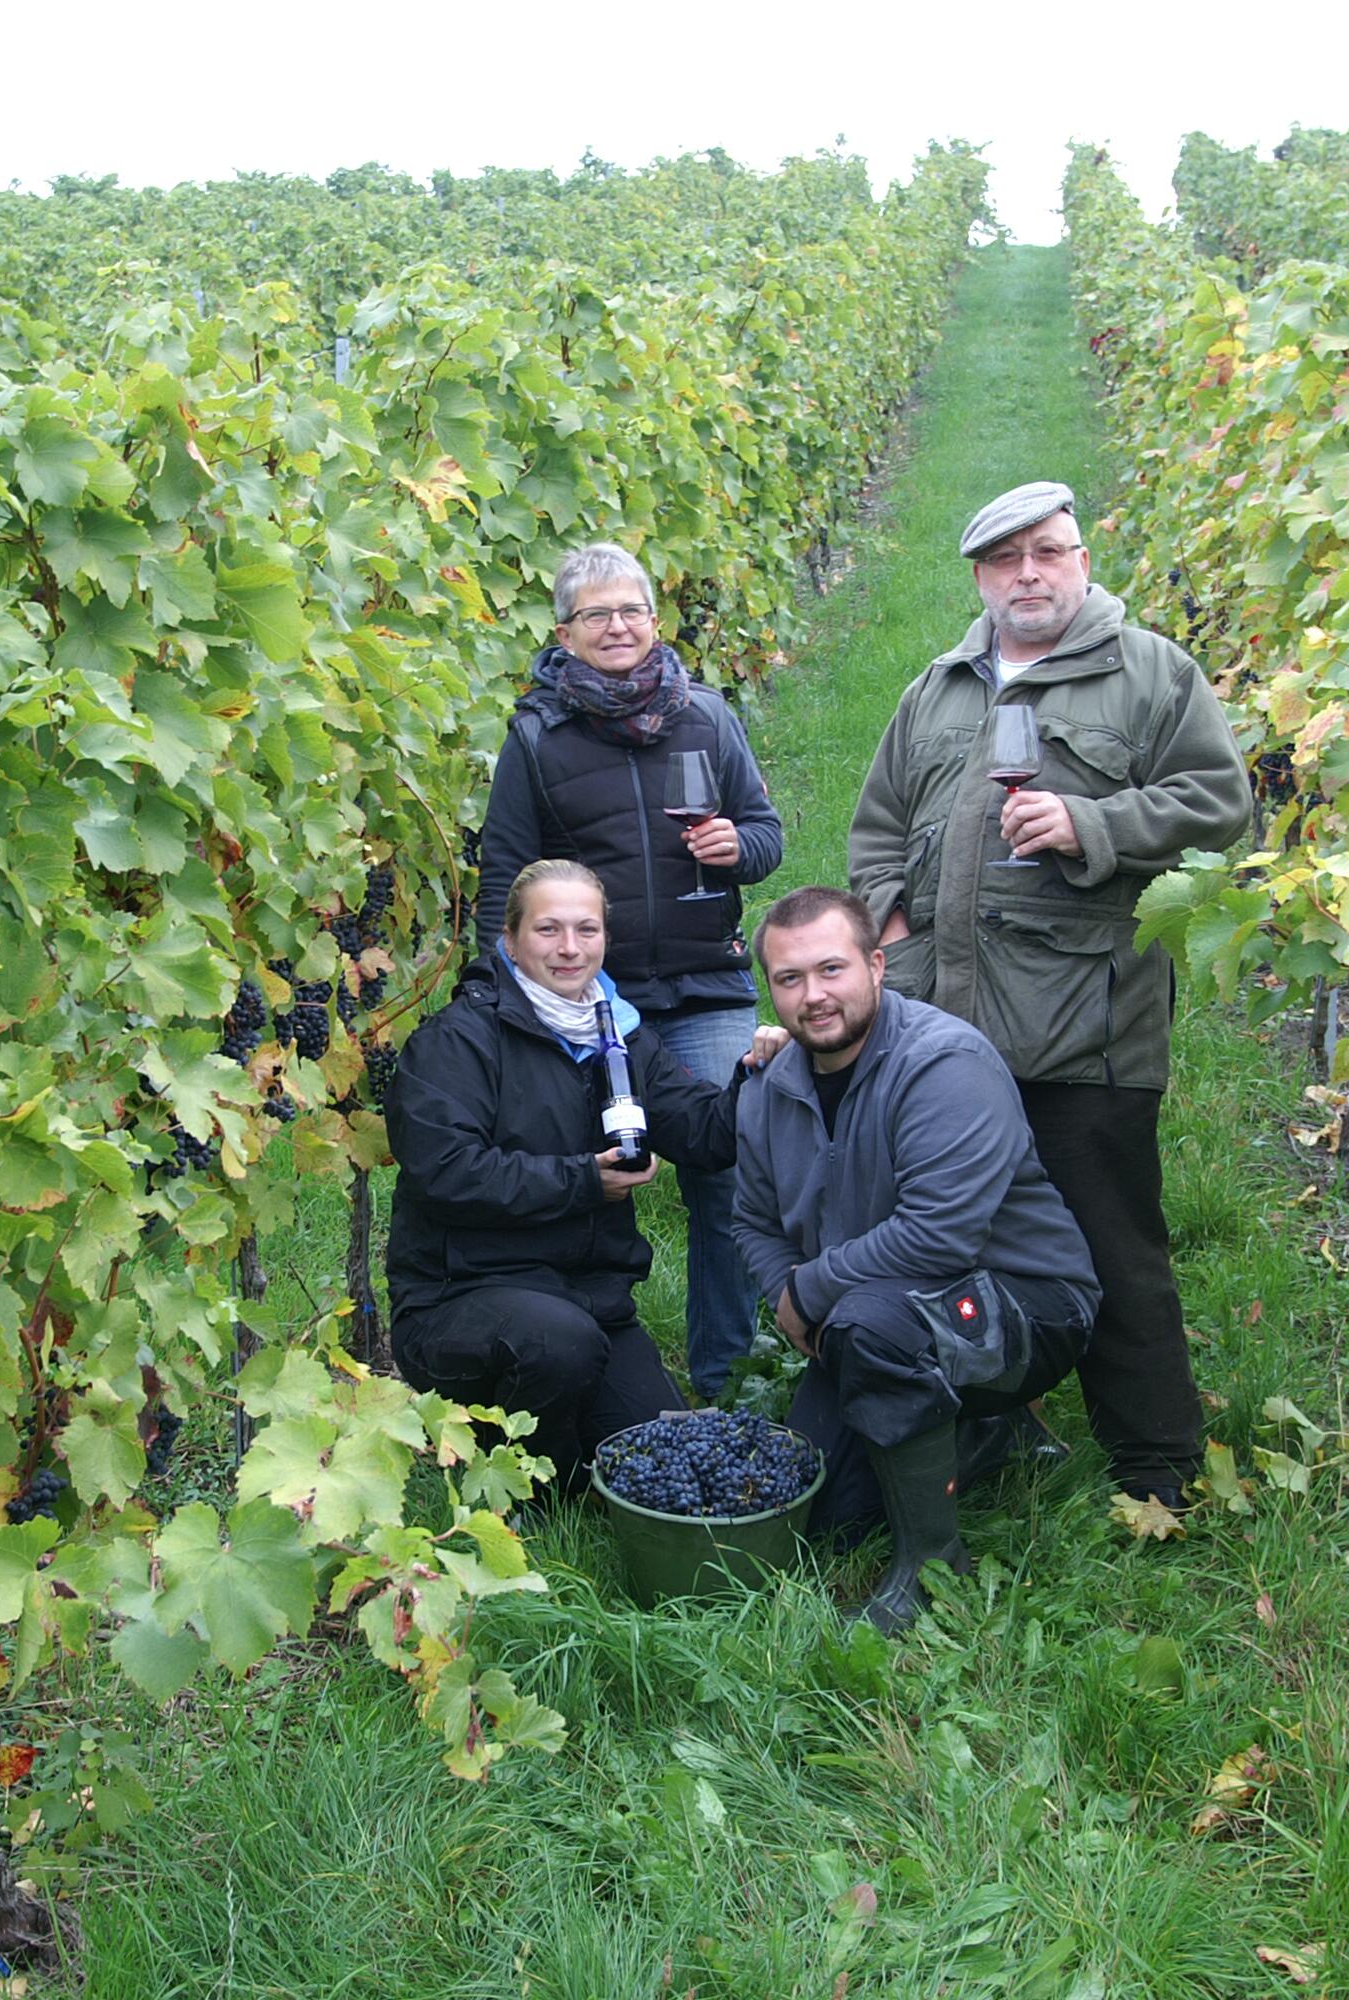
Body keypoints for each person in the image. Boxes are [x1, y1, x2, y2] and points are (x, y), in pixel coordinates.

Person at [848, 481, 1253, 1510]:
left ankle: (1154, 1464)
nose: (1026, 575)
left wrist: (1093, 825)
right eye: (1004, 560)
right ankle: (992, 1425)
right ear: (980, 577)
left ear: (1080, 558)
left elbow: (1220, 809)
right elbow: (877, 823)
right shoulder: (937, 686)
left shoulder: (1149, 674)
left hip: (1083, 1027)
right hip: (943, 1029)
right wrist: (888, 918)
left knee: (1111, 1240)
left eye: (1047, 553)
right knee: (955, 1236)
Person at [733, 886, 1101, 1634]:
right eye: (790, 979)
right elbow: (752, 1219)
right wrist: (783, 1287)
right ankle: (986, 1437)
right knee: (828, 1512)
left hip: (1026, 1302)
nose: (815, 996)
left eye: (832, 970)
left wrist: (811, 1288)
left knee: (873, 1327)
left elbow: (941, 1236)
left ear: (877, 965)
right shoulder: (772, 1088)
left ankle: (934, 1569)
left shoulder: (944, 1063)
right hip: (880, 1308)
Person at [473, 542, 786, 1400]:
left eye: (633, 610)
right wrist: (504, 995)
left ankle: (727, 1370)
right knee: (572, 1181)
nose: (619, 627)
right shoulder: (537, 739)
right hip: (587, 996)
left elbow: (765, 834)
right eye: (597, 614)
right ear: (565, 634)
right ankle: (592, 1368)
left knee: (729, 1172)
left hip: (704, 985)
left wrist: (737, 850)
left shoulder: (708, 719)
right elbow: (505, 874)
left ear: (655, 620)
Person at [391, 860, 786, 1491]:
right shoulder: (458, 1040)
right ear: (511, 937)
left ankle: (563, 1454)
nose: (570, 948)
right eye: (548, 930)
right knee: (557, 1352)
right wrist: (582, 1182)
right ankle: (520, 1490)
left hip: (591, 1302)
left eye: (587, 929)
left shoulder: (619, 1035)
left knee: (661, 1457)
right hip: (458, 1301)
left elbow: (705, 1136)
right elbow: (445, 1173)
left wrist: (759, 1075)